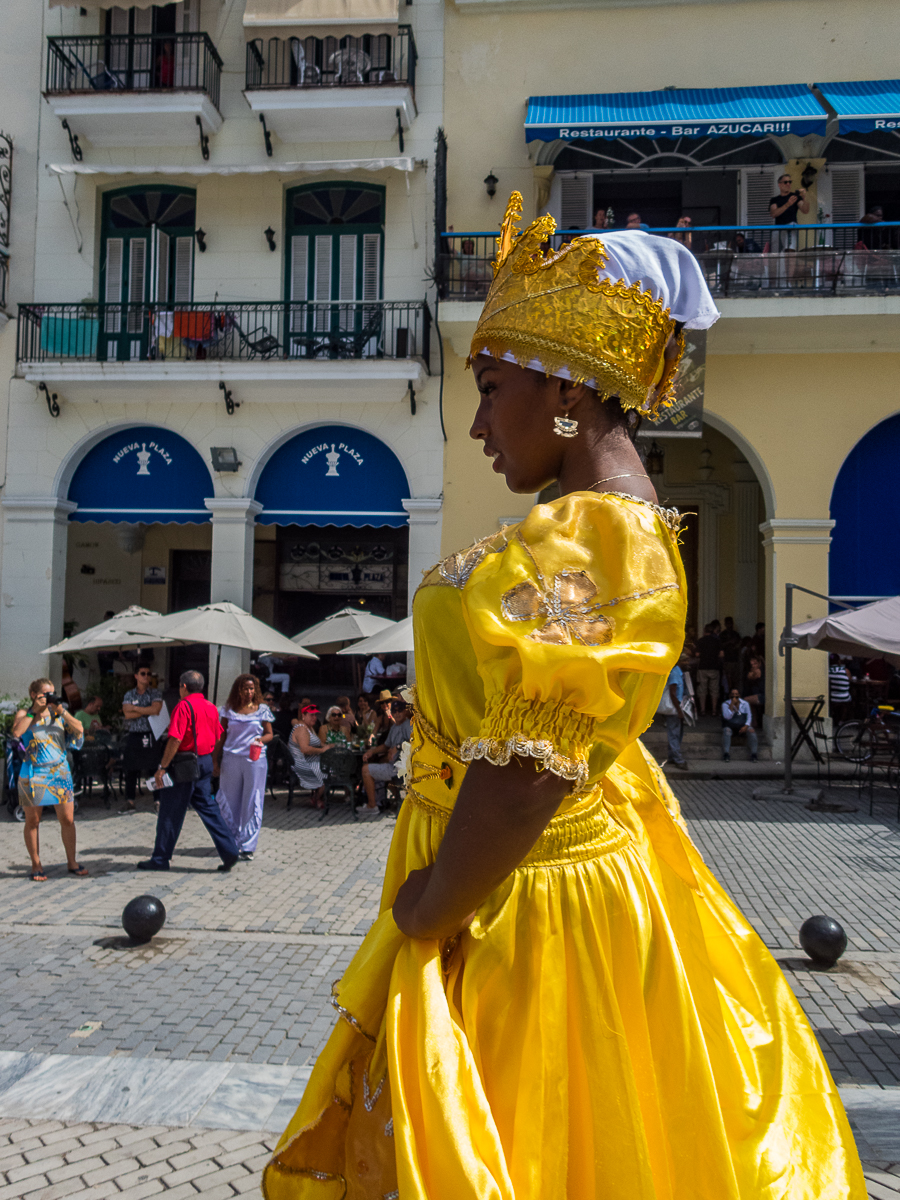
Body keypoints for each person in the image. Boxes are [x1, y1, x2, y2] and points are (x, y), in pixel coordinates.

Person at [264, 194, 863, 1198]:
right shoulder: (591, 527)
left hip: (530, 908)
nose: (477, 422)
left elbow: (530, 773)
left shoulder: (600, 538)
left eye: (492, 388)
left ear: (567, 390)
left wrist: (429, 905)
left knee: (541, 1144)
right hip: (523, 882)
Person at [137, 671, 240, 873]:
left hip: (184, 763)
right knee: (209, 807)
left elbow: (175, 738)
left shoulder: (183, 706)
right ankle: (230, 850)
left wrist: (162, 767)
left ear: (183, 686)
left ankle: (160, 858)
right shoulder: (211, 707)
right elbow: (219, 733)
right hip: (204, 761)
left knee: (170, 811)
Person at [12, 679, 87, 882]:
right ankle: (36, 864)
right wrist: (33, 711)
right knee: (33, 821)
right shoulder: (24, 714)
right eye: (45, 694)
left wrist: (62, 711)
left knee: (68, 820)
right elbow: (17, 733)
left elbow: (79, 728)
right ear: (34, 695)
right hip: (33, 774)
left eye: (52, 693)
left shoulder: (58, 714)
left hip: (59, 774)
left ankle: (72, 862)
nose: (49, 697)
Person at [213, 674, 274, 862]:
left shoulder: (262, 709)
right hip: (231, 758)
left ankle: (248, 845)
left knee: (252, 800)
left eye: (252, 688)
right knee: (229, 801)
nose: (249, 692)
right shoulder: (228, 710)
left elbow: (270, 734)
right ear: (238, 690)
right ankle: (230, 841)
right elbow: (221, 737)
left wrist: (260, 739)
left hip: (254, 760)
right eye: (245, 688)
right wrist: (215, 760)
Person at [120, 666, 164, 813]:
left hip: (150, 733)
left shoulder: (155, 693)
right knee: (131, 768)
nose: (146, 676)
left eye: (148, 674)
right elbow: (127, 713)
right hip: (134, 734)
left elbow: (156, 710)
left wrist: (136, 709)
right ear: (136, 676)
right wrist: (146, 710)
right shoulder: (129, 694)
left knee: (153, 768)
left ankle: (157, 800)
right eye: (143, 674)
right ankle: (130, 801)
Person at [359, 695, 412, 813]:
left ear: (405, 711)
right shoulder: (395, 727)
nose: (397, 714)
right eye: (395, 711)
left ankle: (372, 806)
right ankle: (380, 801)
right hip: (393, 766)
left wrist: (397, 747)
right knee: (372, 764)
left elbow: (413, 742)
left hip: (403, 768)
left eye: (400, 711)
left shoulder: (408, 725)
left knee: (365, 770)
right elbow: (386, 745)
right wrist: (372, 751)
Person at [769, 172, 810, 276]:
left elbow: (805, 210)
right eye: (786, 182)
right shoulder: (775, 200)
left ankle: (788, 283)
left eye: (790, 182)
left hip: (791, 227)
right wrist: (787, 204)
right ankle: (773, 283)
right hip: (778, 228)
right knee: (774, 256)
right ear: (779, 184)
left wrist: (805, 197)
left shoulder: (795, 197)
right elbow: (774, 213)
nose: (788, 184)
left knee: (790, 254)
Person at [288, 704, 327, 807]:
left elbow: (316, 743)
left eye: (315, 715)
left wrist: (329, 745)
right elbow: (305, 749)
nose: (314, 717)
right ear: (303, 715)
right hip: (301, 765)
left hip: (308, 761)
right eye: (311, 715)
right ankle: (317, 798)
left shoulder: (308, 727)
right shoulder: (301, 729)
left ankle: (317, 795)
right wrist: (322, 750)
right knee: (328, 772)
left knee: (327, 767)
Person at [663, 657, 688, 770]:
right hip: (675, 707)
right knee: (674, 734)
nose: (688, 663)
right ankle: (678, 759)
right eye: (685, 660)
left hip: (678, 706)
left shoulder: (678, 671)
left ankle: (672, 756)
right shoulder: (674, 673)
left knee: (676, 733)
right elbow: (673, 693)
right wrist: (679, 710)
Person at [721, 688, 758, 762]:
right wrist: (731, 706)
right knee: (726, 731)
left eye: (736, 695)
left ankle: (754, 754)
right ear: (730, 696)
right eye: (732, 695)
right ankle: (726, 753)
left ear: (739, 696)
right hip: (730, 725)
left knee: (752, 731)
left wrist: (746, 726)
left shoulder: (745, 704)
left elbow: (749, 716)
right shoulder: (725, 704)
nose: (735, 697)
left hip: (742, 725)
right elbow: (727, 717)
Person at [695, 622, 722, 715]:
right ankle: (714, 710)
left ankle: (702, 710)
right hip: (714, 667)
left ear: (704, 631)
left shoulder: (701, 641)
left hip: (702, 667)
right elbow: (721, 654)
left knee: (702, 689)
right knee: (714, 689)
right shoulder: (717, 641)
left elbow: (697, 654)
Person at [719, 615, 742, 692]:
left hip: (735, 659)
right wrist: (729, 642)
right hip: (727, 660)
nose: (729, 625)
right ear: (725, 624)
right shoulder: (722, 635)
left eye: (731, 623)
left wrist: (736, 646)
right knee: (727, 679)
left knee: (736, 679)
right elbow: (720, 646)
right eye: (728, 624)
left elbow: (740, 644)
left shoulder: (736, 634)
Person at [829, 654, 852, 723]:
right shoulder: (845, 670)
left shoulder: (826, 670)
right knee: (849, 698)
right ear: (839, 661)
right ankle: (842, 721)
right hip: (844, 697)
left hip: (832, 697)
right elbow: (850, 681)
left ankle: (832, 717)